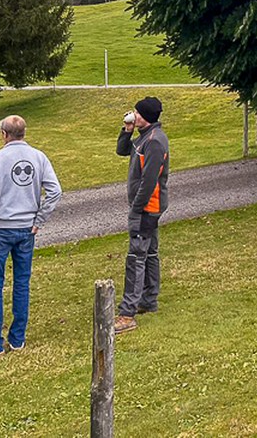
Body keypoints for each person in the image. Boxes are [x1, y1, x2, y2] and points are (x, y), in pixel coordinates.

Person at [0, 114, 62, 359]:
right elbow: (54, 191)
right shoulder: (39, 157)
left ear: (3, 134)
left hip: (1, 227)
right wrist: (39, 219)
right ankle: (17, 339)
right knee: (21, 283)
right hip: (26, 228)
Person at [113, 96, 170, 335]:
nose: (133, 116)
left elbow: (149, 181)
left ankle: (128, 313)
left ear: (144, 116)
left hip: (147, 207)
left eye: (136, 113)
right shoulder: (144, 137)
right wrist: (126, 130)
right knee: (150, 253)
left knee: (136, 257)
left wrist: (136, 208)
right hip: (146, 207)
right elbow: (122, 151)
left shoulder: (155, 141)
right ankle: (148, 300)